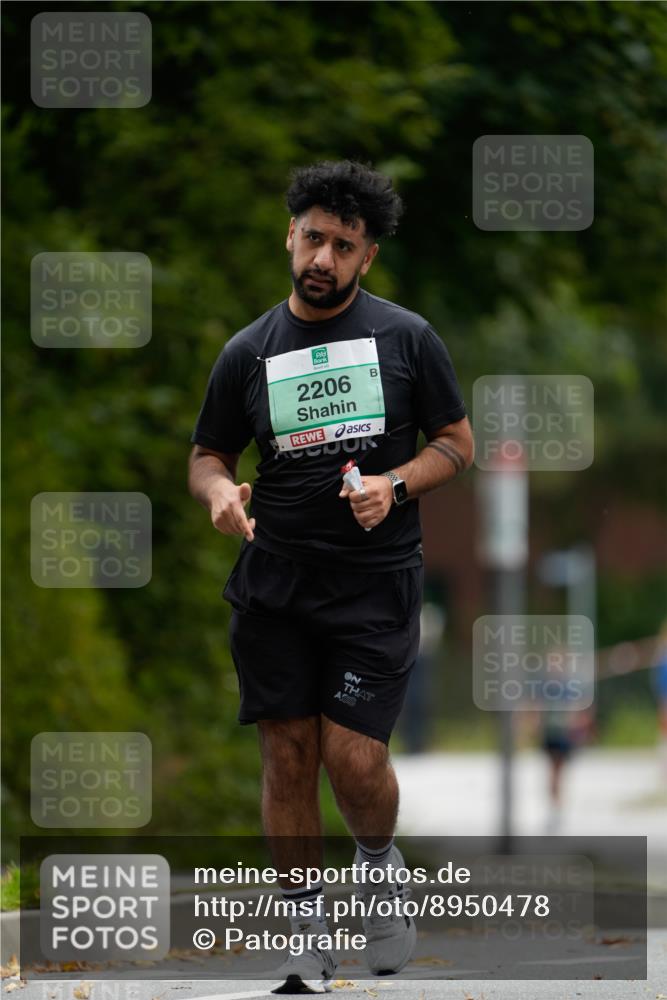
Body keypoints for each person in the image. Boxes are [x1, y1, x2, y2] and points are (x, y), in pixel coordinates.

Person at [188, 160, 474, 993]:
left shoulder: (406, 339)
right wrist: (218, 495)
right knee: (286, 756)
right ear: (289, 235)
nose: (323, 258)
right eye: (312, 237)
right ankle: (305, 934)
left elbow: (455, 441)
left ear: (366, 258)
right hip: (274, 581)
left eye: (343, 246)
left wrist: (395, 484)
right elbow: (210, 453)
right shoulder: (247, 352)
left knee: (353, 759)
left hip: (373, 584)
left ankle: (378, 866)